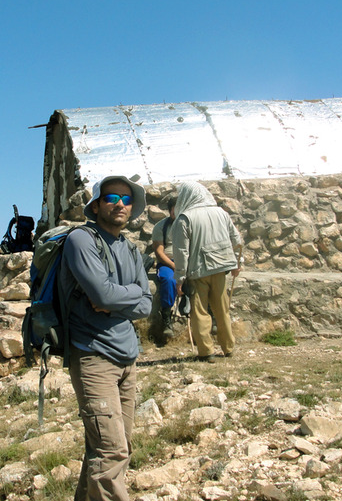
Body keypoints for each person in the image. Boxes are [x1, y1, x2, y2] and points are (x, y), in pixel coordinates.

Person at [59, 175, 152, 501]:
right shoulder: (81, 240)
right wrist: (128, 295)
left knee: (112, 447)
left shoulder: (130, 248)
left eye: (127, 200)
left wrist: (116, 298)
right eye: (113, 198)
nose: (120, 205)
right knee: (111, 452)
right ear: (96, 204)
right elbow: (101, 292)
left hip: (127, 356)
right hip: (92, 355)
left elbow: (147, 303)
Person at [172, 182, 242, 363]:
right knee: (222, 310)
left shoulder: (184, 218)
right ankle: (229, 348)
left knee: (200, 312)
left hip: (197, 273)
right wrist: (237, 262)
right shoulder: (221, 213)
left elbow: (181, 252)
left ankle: (206, 352)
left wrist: (179, 278)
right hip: (220, 269)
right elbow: (236, 240)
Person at [152, 197, 177, 338]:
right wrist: (174, 266)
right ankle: (166, 317)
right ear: (170, 210)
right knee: (168, 280)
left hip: (188, 261)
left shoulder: (190, 224)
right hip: (168, 261)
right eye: (175, 209)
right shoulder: (161, 226)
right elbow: (159, 252)